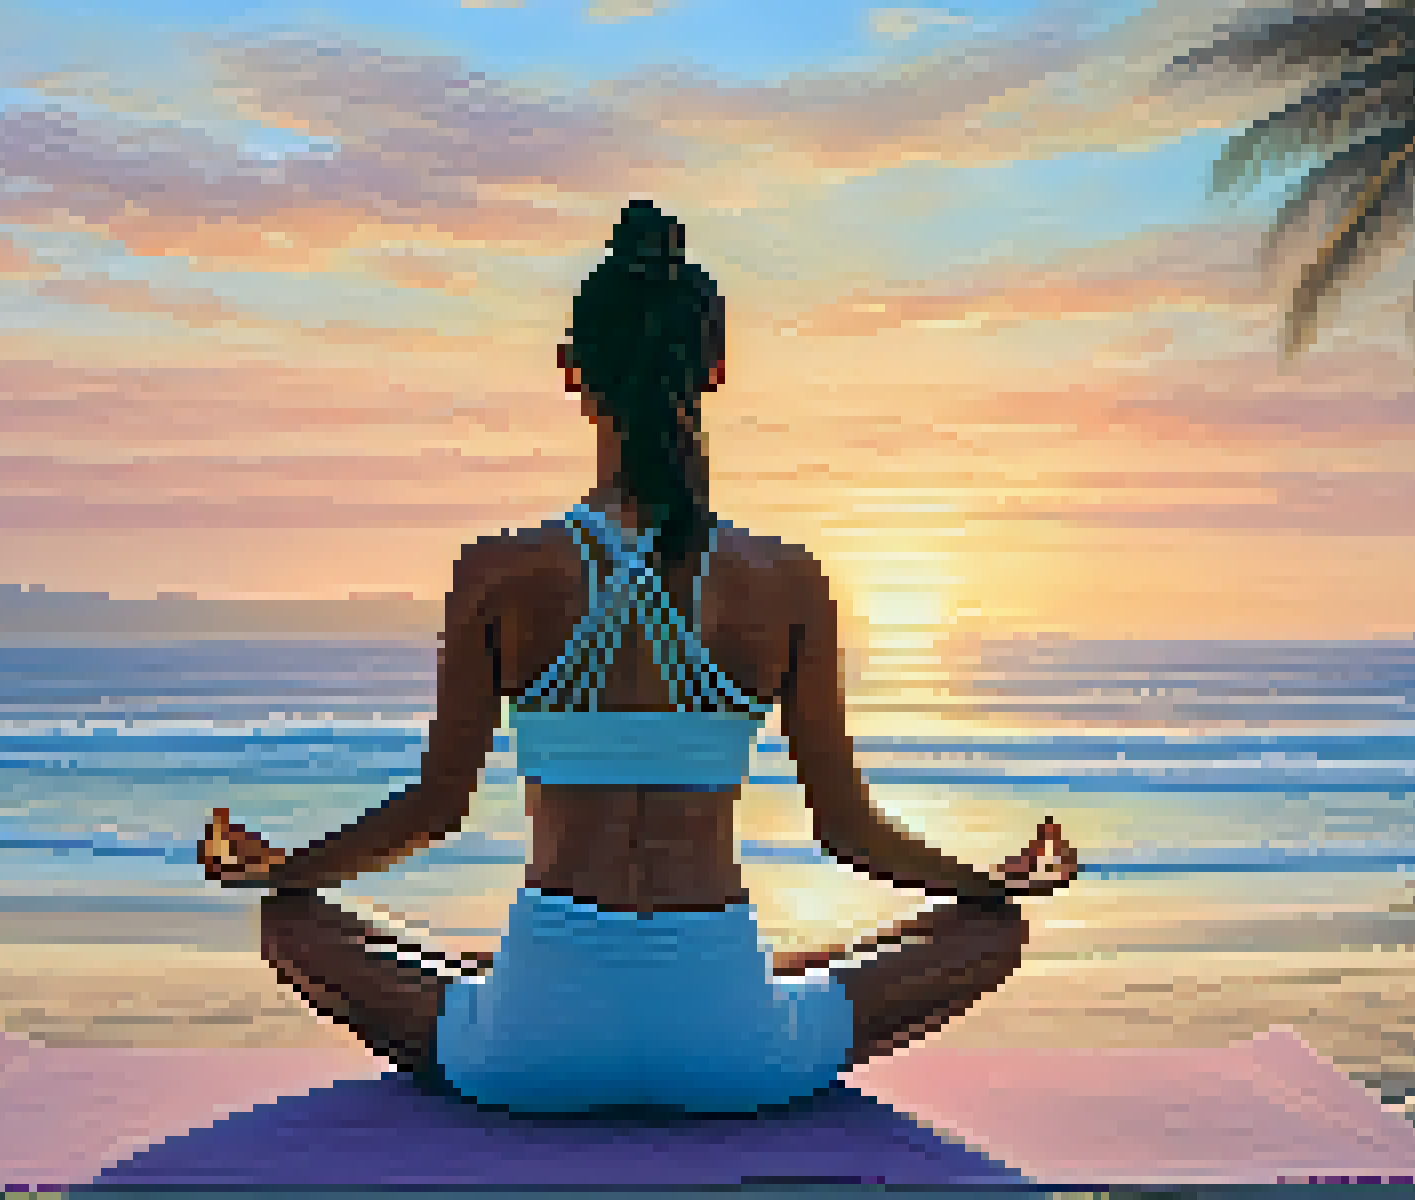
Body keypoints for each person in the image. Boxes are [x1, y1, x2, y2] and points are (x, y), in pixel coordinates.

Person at [200, 199, 1079, 1116]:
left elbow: (433, 811)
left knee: (293, 923)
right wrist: (991, 882)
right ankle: (738, 991)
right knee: (991, 932)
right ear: (716, 370)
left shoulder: (499, 571)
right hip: (731, 1050)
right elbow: (848, 832)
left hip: (530, 1050)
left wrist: (286, 870)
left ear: (572, 374)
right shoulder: (784, 580)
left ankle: (537, 993)